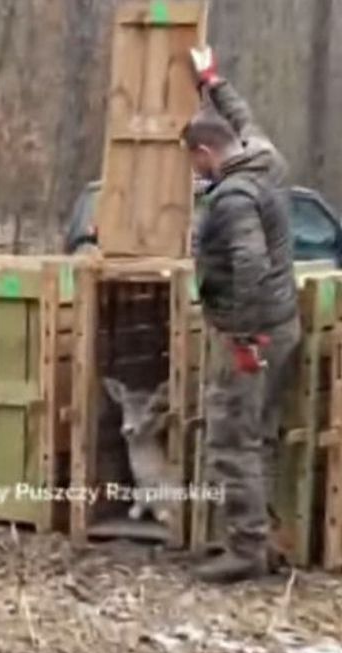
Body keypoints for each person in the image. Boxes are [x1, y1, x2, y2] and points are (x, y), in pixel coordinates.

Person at [182, 46, 300, 583]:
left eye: (194, 161)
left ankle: (246, 550)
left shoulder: (231, 199)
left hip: (254, 336)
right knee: (261, 436)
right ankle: (263, 538)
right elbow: (243, 118)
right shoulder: (267, 162)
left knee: (232, 440)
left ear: (206, 152)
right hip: (282, 325)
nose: (194, 172)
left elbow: (248, 262)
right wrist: (211, 79)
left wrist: (244, 337)